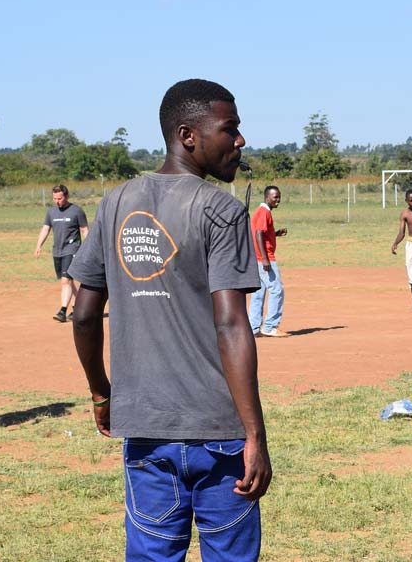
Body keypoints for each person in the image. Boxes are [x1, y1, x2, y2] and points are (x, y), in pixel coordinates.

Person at [69, 79, 271, 561]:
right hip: (219, 433)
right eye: (230, 129)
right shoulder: (220, 209)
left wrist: (102, 393)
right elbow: (231, 325)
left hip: (145, 430)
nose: (240, 140)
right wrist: (255, 436)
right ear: (188, 135)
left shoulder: (114, 202)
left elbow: (82, 314)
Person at [34, 184, 89, 322]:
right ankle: (77, 308)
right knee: (68, 282)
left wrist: (88, 248)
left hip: (72, 249)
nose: (57, 201)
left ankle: (62, 311)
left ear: (66, 196)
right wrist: (38, 245)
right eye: (54, 198)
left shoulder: (77, 211)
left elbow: (85, 230)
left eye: (59, 198)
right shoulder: (51, 212)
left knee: (66, 280)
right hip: (57, 251)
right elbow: (46, 229)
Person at [250, 185, 288, 337]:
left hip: (258, 258)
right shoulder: (264, 212)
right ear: (267, 197)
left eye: (279, 197)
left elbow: (262, 233)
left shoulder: (262, 212)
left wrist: (275, 234)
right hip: (264, 259)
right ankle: (270, 326)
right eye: (275, 197)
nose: (278, 200)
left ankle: (253, 327)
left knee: (258, 293)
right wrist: (265, 259)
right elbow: (258, 234)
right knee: (277, 290)